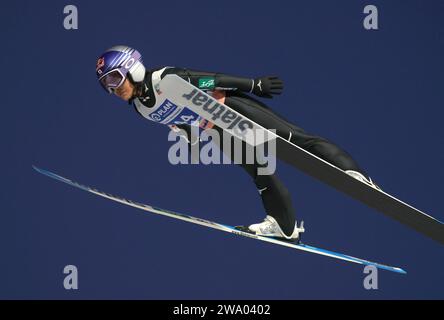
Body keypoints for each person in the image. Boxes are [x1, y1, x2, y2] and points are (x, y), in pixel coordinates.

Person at [96, 45, 379, 242]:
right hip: (217, 129)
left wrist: (253, 84)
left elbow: (211, 79)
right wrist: (190, 136)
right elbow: (177, 119)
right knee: (259, 172)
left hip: (229, 108)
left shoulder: (164, 79)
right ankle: (284, 226)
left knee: (295, 139)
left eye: (115, 77)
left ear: (133, 69)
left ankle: (354, 175)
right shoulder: (140, 109)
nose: (113, 87)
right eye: (106, 84)